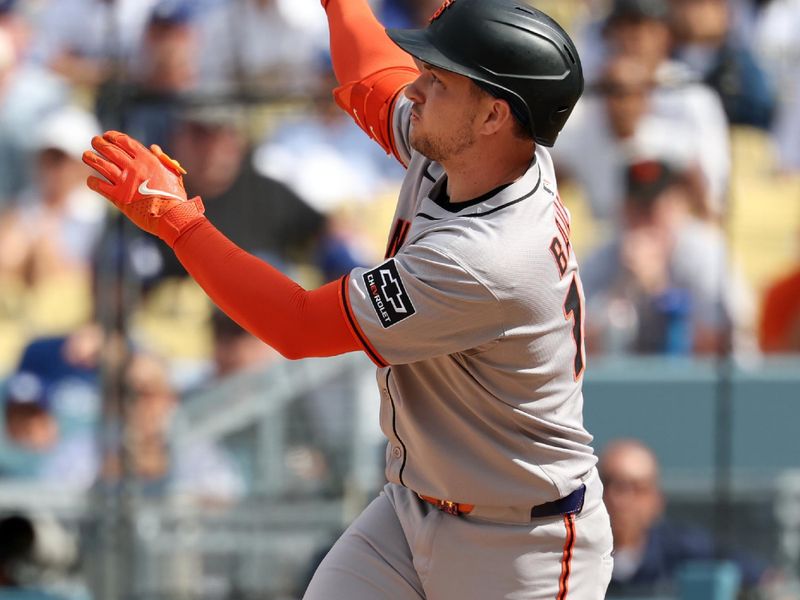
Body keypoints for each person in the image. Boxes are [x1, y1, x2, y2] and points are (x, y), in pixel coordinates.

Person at [82, 0, 614, 598]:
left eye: (438, 81)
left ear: (493, 115)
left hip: (522, 545)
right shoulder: (483, 154)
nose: (416, 89)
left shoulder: (487, 258)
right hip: (412, 510)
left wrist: (179, 223)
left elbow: (298, 326)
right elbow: (371, 83)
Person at [598, 439, 768, 595]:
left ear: (656, 500)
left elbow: (764, 581)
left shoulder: (686, 551)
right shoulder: (576, 553)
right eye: (608, 483)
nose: (619, 499)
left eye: (636, 488)